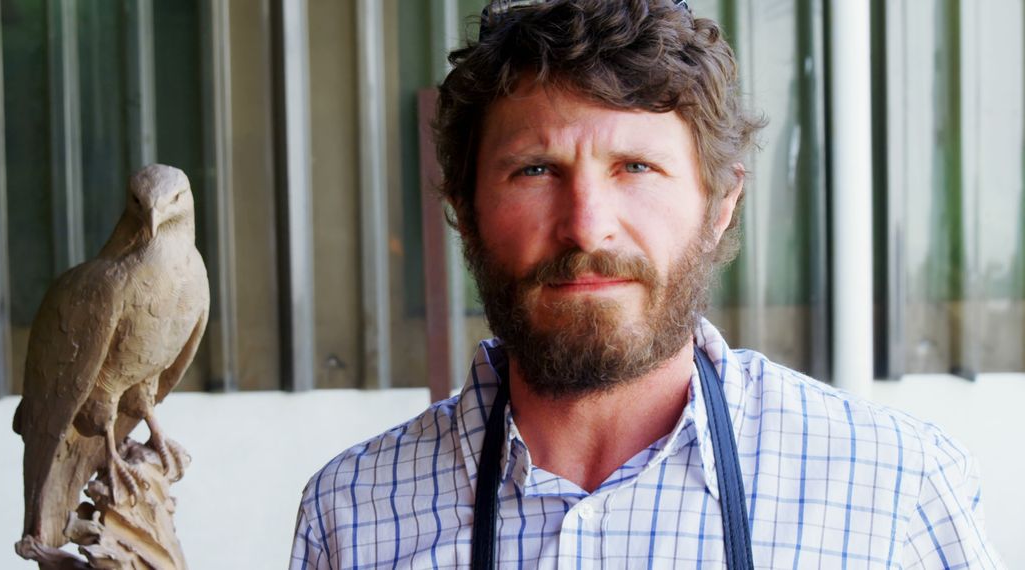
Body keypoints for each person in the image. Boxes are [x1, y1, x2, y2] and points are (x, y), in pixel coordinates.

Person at [290, 0, 1004, 567]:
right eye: (535, 170)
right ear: (465, 211)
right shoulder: (351, 513)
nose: (586, 228)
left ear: (721, 203)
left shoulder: (895, 490)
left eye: (636, 167)